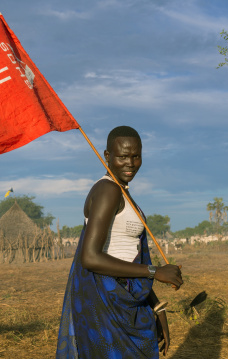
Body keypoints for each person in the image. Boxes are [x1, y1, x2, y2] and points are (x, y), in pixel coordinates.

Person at [56, 126, 183, 359]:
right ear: (107, 156)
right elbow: (91, 257)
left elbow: (125, 254)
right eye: (123, 156)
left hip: (124, 296)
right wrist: (155, 272)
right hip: (107, 301)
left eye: (136, 156)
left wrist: (155, 305)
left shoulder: (122, 192)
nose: (131, 163)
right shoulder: (108, 190)